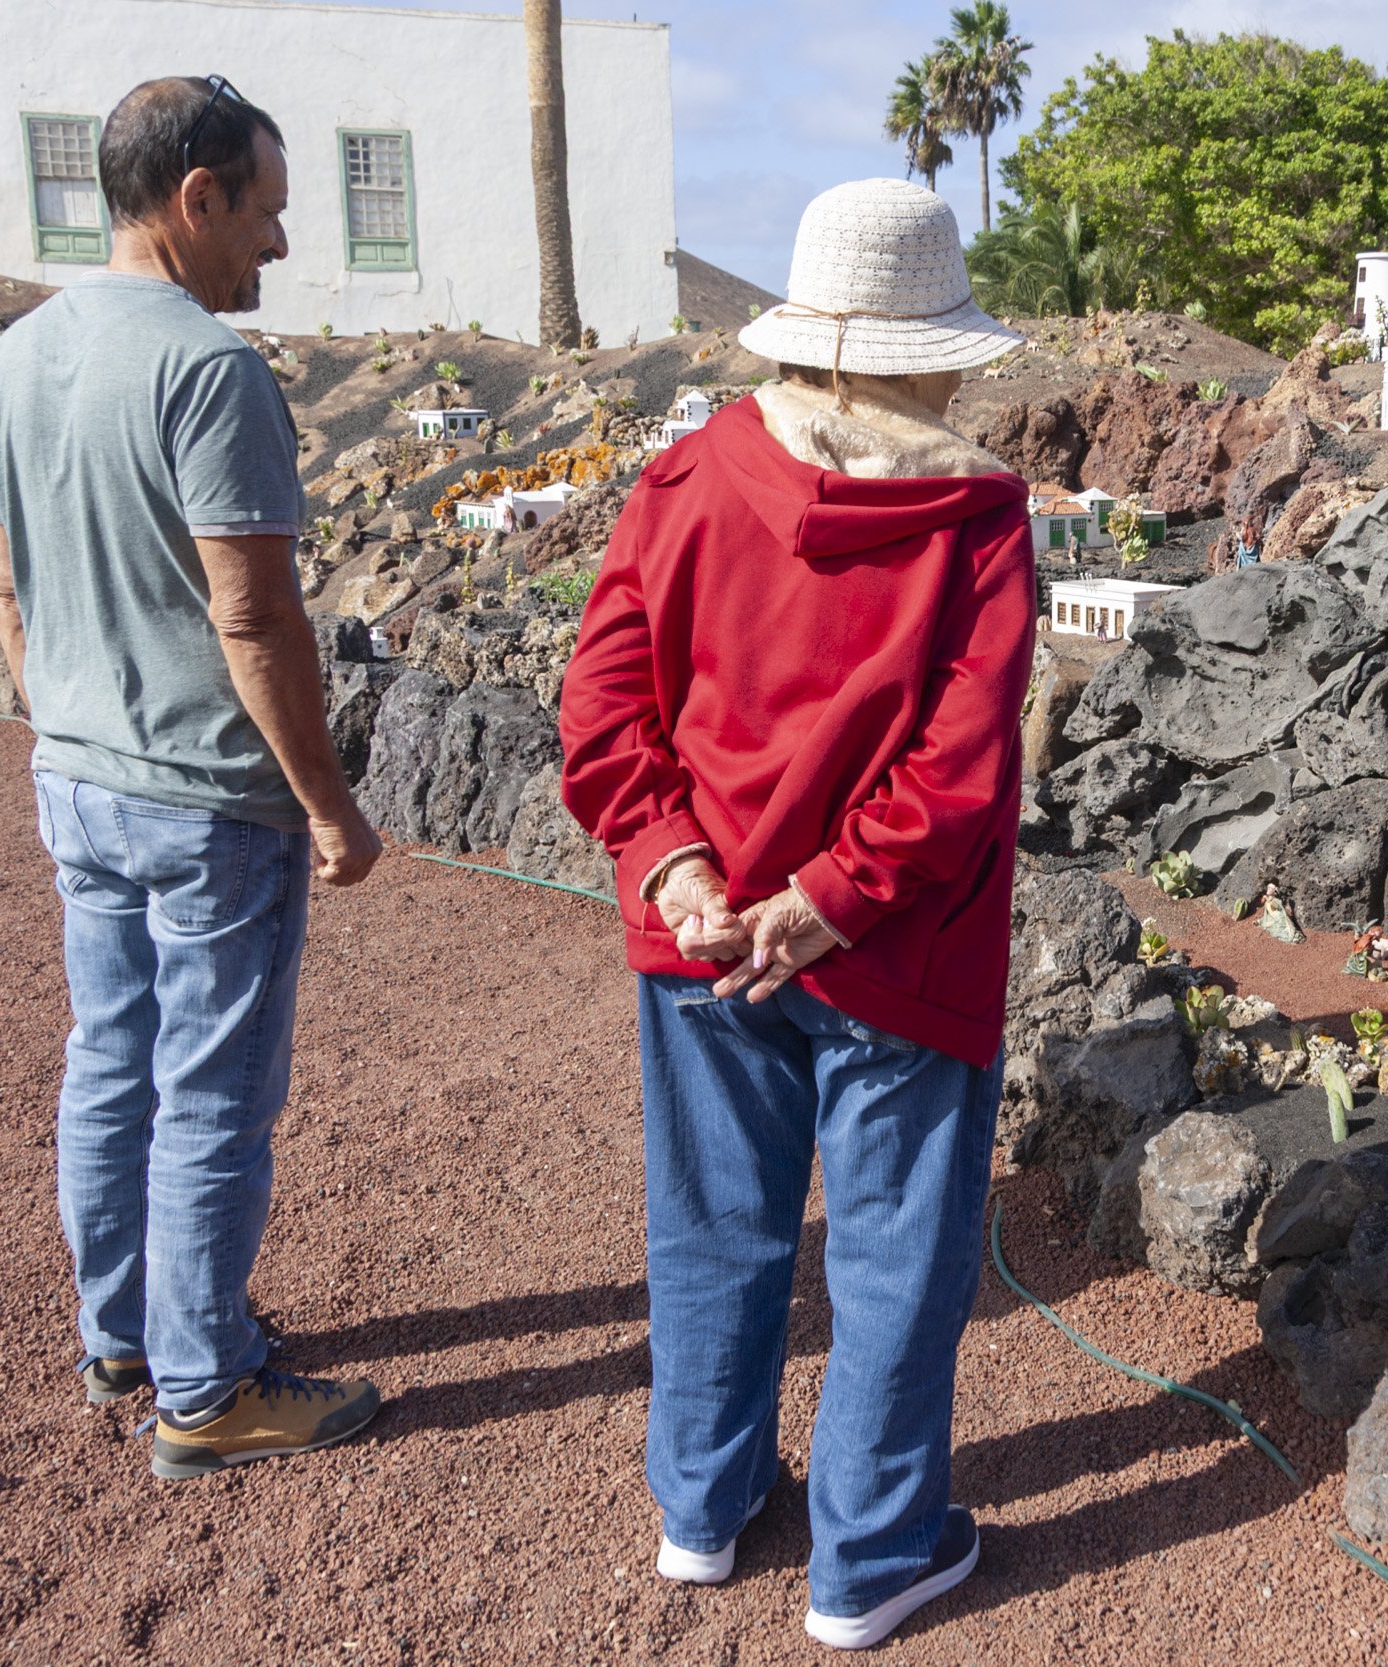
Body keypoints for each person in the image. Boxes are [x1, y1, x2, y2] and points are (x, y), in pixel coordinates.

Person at [558, 179, 1032, 1652]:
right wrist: (832, 899)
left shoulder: (690, 477)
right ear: (921, 353)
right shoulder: (976, 517)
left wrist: (676, 862)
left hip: (699, 935)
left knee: (713, 1219)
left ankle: (702, 1503)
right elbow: (961, 768)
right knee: (896, 1247)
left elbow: (604, 699)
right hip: (897, 948)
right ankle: (872, 1551)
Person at [0, 76, 384, 1479]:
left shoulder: (15, 357)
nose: (275, 245)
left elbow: (3, 581)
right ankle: (207, 1390)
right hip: (206, 796)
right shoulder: (210, 372)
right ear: (195, 196)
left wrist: (65, 726)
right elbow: (255, 618)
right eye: (265, 211)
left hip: (77, 772)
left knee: (109, 1060)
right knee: (211, 1091)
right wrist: (329, 803)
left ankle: (127, 1337)